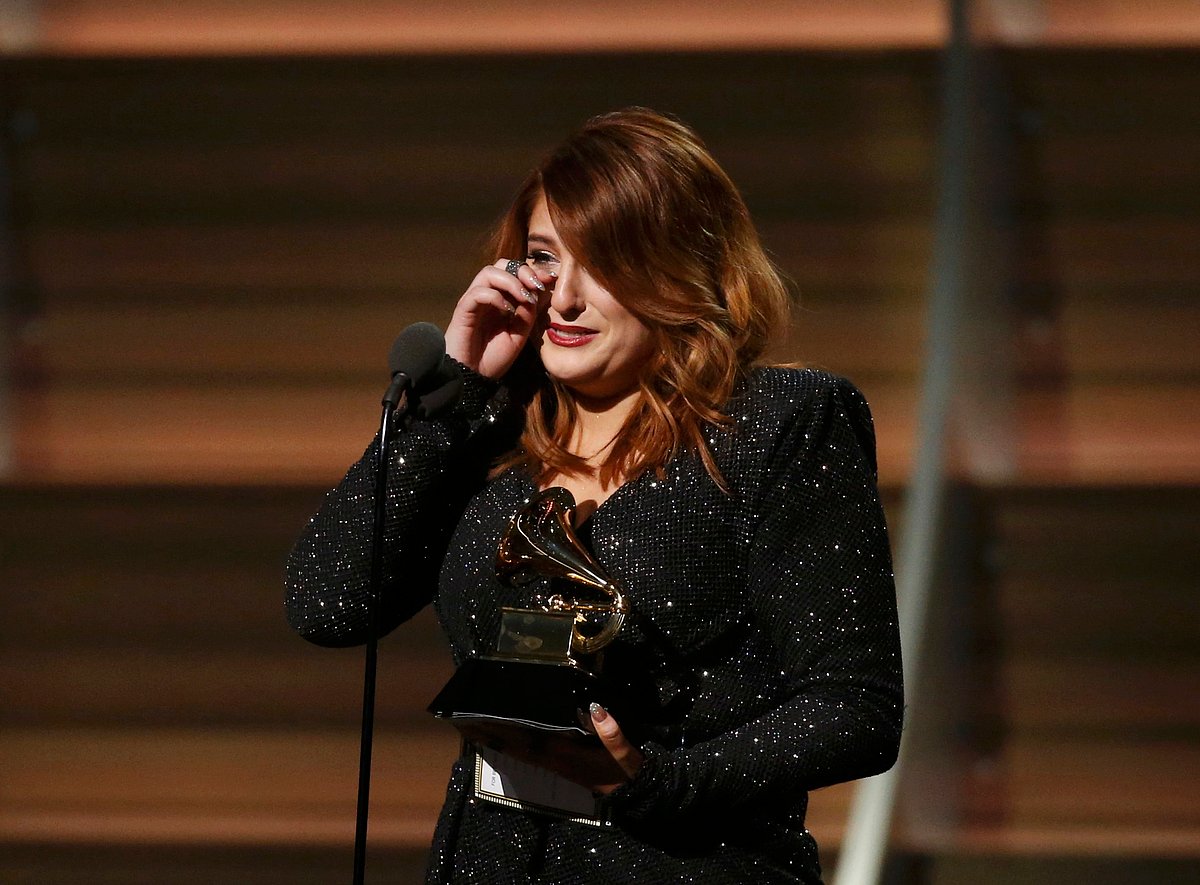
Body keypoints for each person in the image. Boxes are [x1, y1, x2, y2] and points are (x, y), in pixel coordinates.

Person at [286, 108, 903, 884]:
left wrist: (658, 785)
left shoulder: (777, 423)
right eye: (545, 258)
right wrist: (457, 387)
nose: (566, 298)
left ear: (683, 270)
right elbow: (328, 602)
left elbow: (857, 708)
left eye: (605, 262)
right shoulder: (491, 434)